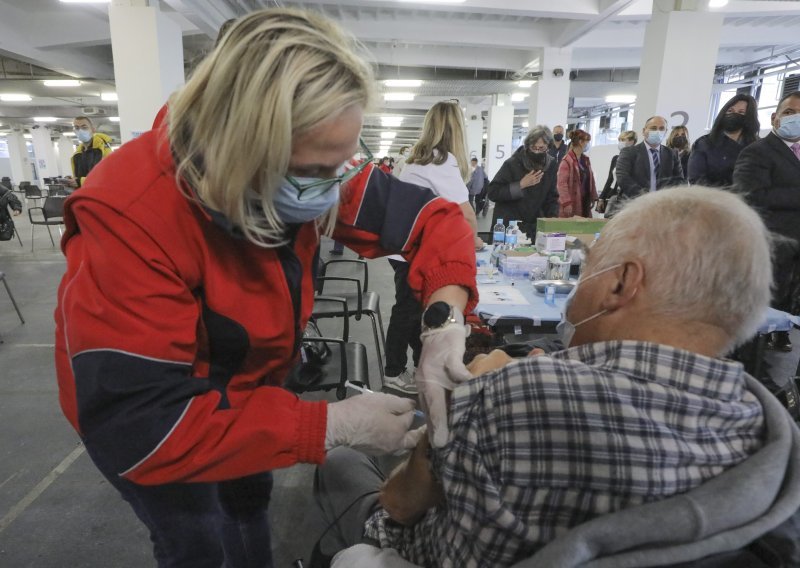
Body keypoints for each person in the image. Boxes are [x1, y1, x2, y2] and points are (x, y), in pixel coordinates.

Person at [54, 10, 478, 568]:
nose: (332, 189)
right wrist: (329, 424)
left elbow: (436, 221)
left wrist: (443, 324)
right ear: (244, 153)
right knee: (199, 535)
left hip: (250, 385)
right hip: (162, 411)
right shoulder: (131, 218)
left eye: (340, 168)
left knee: (249, 504)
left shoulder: (309, 168)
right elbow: (142, 426)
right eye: (314, 171)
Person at [314, 186, 800, 568]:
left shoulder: (512, 393)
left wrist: (465, 407)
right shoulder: (764, 426)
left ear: (620, 283)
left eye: (587, 265)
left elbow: (398, 507)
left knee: (339, 463)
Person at [383, 100, 482, 396]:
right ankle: (394, 371)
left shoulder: (418, 158)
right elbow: (466, 212)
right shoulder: (440, 160)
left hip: (404, 247)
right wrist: (473, 244)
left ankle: (413, 366)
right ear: (455, 130)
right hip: (410, 250)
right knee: (408, 311)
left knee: (412, 310)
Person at [733, 90, 800, 353]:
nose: (796, 118)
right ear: (775, 117)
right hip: (774, 240)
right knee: (770, 297)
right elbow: (751, 195)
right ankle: (757, 355)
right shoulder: (757, 152)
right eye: (789, 112)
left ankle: (783, 331)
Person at [487, 125, 559, 240]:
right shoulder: (512, 163)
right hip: (509, 226)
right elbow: (493, 192)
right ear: (527, 146)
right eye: (533, 148)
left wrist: (552, 219)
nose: (536, 151)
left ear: (548, 147)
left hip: (534, 227)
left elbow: (552, 197)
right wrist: (520, 185)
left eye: (541, 148)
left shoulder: (551, 165)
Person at [688, 94, 760, 187]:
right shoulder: (703, 143)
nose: (734, 114)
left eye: (741, 112)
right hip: (709, 198)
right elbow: (696, 179)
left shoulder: (756, 146)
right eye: (730, 110)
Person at [615, 115, 684, 199]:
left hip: (664, 204)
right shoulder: (629, 152)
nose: (658, 131)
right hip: (635, 203)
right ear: (644, 131)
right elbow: (623, 177)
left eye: (662, 128)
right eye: (653, 128)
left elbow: (679, 180)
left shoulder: (672, 154)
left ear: (666, 131)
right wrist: (645, 197)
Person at [557, 129, 597, 217]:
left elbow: (591, 179)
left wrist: (593, 196)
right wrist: (566, 202)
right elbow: (561, 184)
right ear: (580, 142)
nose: (588, 144)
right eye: (587, 141)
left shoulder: (585, 160)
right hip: (572, 202)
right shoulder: (567, 161)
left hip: (585, 201)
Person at [595, 130, 637, 215]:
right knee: (608, 217)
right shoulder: (616, 158)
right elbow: (610, 179)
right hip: (614, 194)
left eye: (623, 140)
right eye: (620, 140)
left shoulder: (636, 158)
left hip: (628, 197)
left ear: (632, 141)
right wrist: (601, 198)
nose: (620, 142)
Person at [66, 115, 112, 188]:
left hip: (101, 195)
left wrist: (80, 182)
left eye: (84, 127)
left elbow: (107, 178)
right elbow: (79, 178)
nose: (80, 131)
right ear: (74, 131)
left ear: (93, 130)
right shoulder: (77, 155)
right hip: (84, 195)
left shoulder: (104, 151)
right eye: (77, 128)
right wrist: (71, 181)